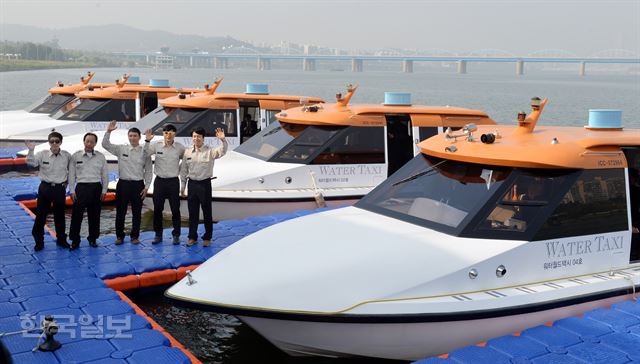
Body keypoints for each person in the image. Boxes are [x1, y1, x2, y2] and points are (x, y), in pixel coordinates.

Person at [102, 120, 152, 245]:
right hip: (123, 184)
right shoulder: (121, 149)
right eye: (130, 135)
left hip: (138, 185)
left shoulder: (145, 152)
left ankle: (135, 236)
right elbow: (105, 145)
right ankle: (120, 236)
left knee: (137, 213)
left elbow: (149, 171)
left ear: (139, 138)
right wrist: (108, 131)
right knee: (120, 212)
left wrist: (146, 187)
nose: (132, 138)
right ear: (128, 137)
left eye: (135, 136)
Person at [180, 127, 227, 247]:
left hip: (204, 184)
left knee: (207, 212)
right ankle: (192, 237)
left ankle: (207, 237)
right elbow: (184, 171)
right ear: (192, 138)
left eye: (199, 137)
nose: (196, 139)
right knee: (193, 213)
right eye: (194, 136)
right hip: (192, 185)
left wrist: (223, 140)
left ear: (203, 138)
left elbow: (222, 151)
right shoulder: (187, 152)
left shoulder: (210, 151)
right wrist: (183, 186)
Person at [25, 132, 72, 251]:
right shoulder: (42, 154)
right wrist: (31, 150)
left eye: (57, 141)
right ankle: (39, 241)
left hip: (59, 189)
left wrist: (69, 186)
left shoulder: (67, 156)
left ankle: (61, 240)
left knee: (60, 216)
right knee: (41, 216)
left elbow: (72, 172)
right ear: (49, 142)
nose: (54, 143)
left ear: (61, 142)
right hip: (45, 188)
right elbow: (31, 163)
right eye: (52, 141)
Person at [144, 124, 185, 244]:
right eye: (166, 132)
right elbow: (145, 153)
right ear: (163, 134)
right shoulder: (156, 145)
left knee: (175, 210)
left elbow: (187, 159)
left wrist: (182, 171)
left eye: (171, 132)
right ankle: (158, 235)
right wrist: (147, 140)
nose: (168, 135)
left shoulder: (180, 148)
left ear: (175, 134)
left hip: (173, 182)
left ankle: (176, 235)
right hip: (160, 181)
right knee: (157, 209)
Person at [68, 132, 109, 249]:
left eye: (92, 141)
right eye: (87, 141)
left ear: (95, 143)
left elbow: (105, 175)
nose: (89, 143)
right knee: (76, 216)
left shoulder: (101, 157)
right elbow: (71, 175)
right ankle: (75, 240)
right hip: (81, 188)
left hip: (96, 187)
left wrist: (104, 190)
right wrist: (71, 190)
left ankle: (93, 239)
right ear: (84, 142)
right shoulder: (76, 156)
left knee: (94, 216)